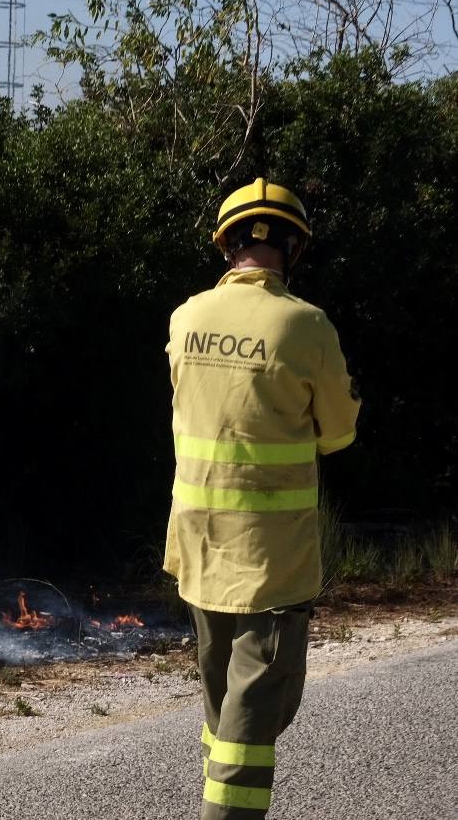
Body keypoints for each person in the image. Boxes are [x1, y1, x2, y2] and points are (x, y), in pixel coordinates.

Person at [164, 178, 362, 819]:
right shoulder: (307, 327)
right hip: (270, 566)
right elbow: (339, 433)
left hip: (199, 550)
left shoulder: (186, 318)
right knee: (252, 723)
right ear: (294, 248)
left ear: (227, 246)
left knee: (223, 712)